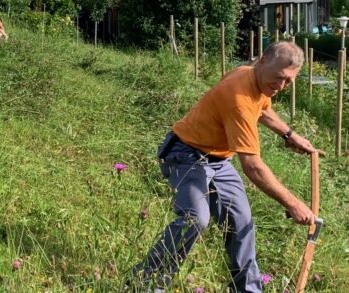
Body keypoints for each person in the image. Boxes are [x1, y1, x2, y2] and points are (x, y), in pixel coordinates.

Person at [132, 41, 317, 293]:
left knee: (241, 222)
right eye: (278, 78)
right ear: (262, 60)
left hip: (218, 160)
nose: (281, 86)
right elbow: (252, 167)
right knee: (195, 218)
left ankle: (248, 290)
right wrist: (293, 203)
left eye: (288, 82)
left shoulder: (252, 77)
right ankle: (146, 282)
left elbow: (262, 109)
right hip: (185, 154)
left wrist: (289, 134)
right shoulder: (237, 97)